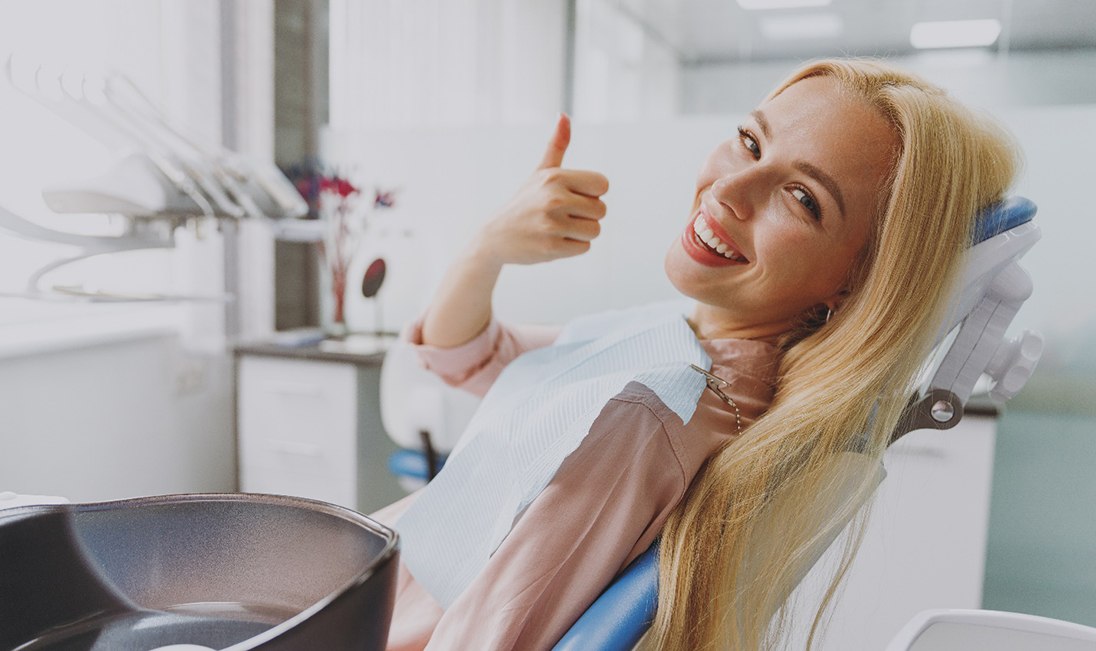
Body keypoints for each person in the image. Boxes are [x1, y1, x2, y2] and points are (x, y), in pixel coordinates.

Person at [372, 58, 1020, 650]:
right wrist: (487, 250)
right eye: (750, 141)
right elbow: (475, 358)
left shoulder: (655, 407)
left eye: (802, 198)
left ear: (855, 280)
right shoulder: (681, 336)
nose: (731, 191)